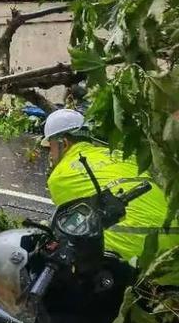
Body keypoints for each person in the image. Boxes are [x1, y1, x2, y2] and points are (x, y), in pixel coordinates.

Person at [42, 108, 179, 261]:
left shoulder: (60, 176)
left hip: (134, 260)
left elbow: (70, 226)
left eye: (50, 148)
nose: (50, 155)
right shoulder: (121, 155)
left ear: (64, 143)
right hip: (175, 254)